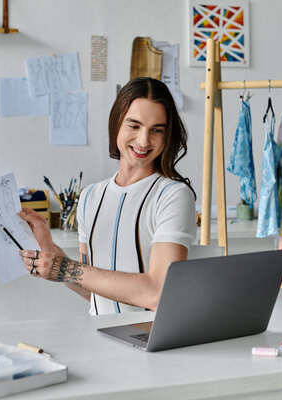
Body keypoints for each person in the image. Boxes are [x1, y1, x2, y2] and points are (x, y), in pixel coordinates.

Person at [19, 77, 196, 314]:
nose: (144, 140)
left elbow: (158, 293)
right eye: (134, 126)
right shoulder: (90, 196)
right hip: (99, 338)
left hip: (149, 341)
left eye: (156, 130)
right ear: (116, 125)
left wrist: (65, 268)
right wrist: (50, 252)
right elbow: (91, 292)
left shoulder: (173, 196)